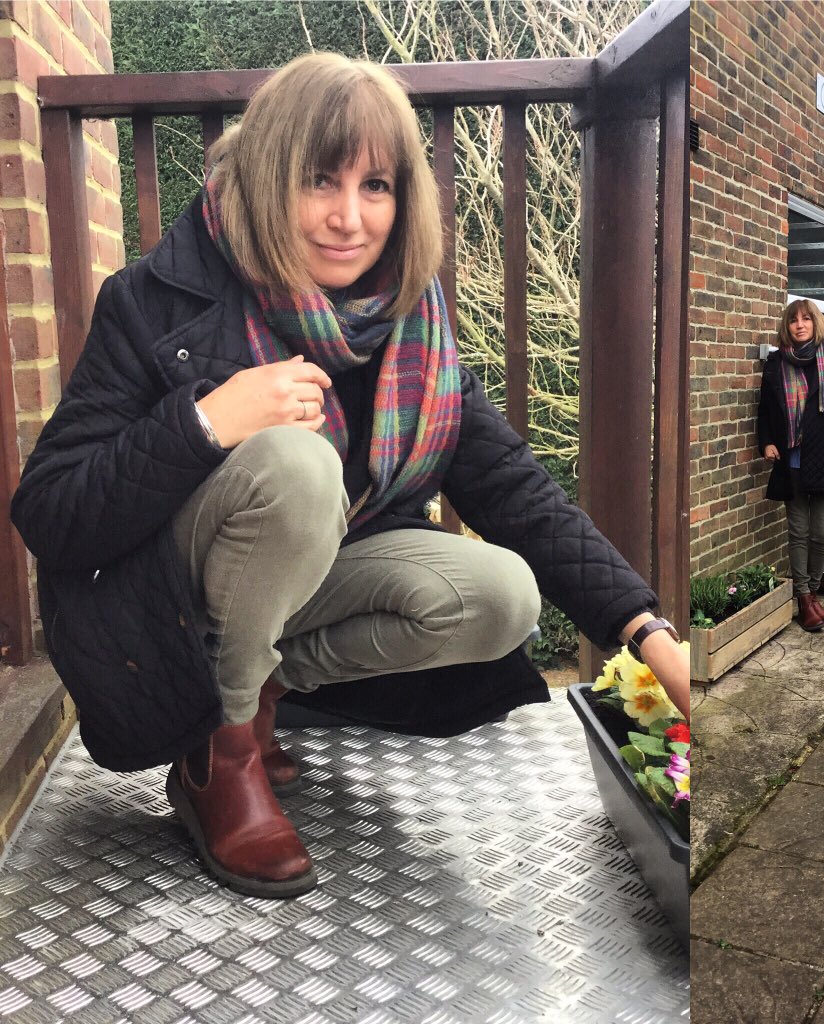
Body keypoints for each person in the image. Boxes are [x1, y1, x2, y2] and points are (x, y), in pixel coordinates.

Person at [10, 54, 689, 900]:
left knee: (500, 595)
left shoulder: (408, 322)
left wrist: (648, 633)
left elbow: (519, 491)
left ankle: (257, 684)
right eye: (318, 180)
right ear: (268, 178)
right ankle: (218, 754)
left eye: (376, 186)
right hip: (166, 602)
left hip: (295, 583)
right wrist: (204, 423)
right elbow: (50, 511)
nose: (348, 218)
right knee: (296, 463)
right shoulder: (155, 300)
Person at [756, 298, 824, 632]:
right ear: (787, 326)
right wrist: (767, 441)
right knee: (799, 532)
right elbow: (764, 408)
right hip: (792, 459)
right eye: (793, 320)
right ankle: (804, 598)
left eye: (806, 318)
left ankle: (813, 592)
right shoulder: (777, 362)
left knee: (822, 533)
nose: (800, 325)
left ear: (817, 322)